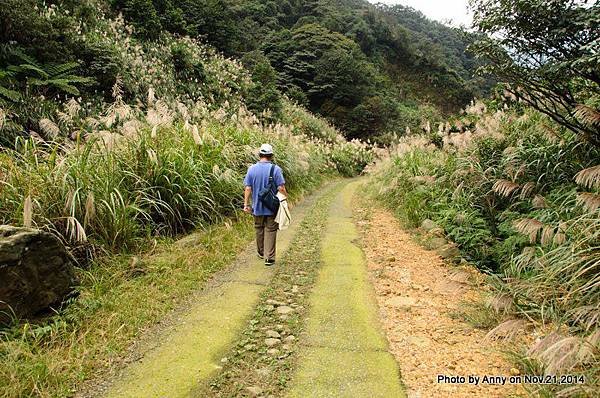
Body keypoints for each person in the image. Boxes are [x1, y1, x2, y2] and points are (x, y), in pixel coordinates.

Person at [243, 144, 287, 266]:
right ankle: (269, 258)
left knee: (259, 228)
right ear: (271, 156)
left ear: (260, 155)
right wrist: (285, 198)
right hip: (272, 207)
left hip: (257, 206)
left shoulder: (251, 169)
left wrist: (246, 204)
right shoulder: (276, 169)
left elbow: (248, 188)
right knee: (271, 229)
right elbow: (281, 187)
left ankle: (261, 252)